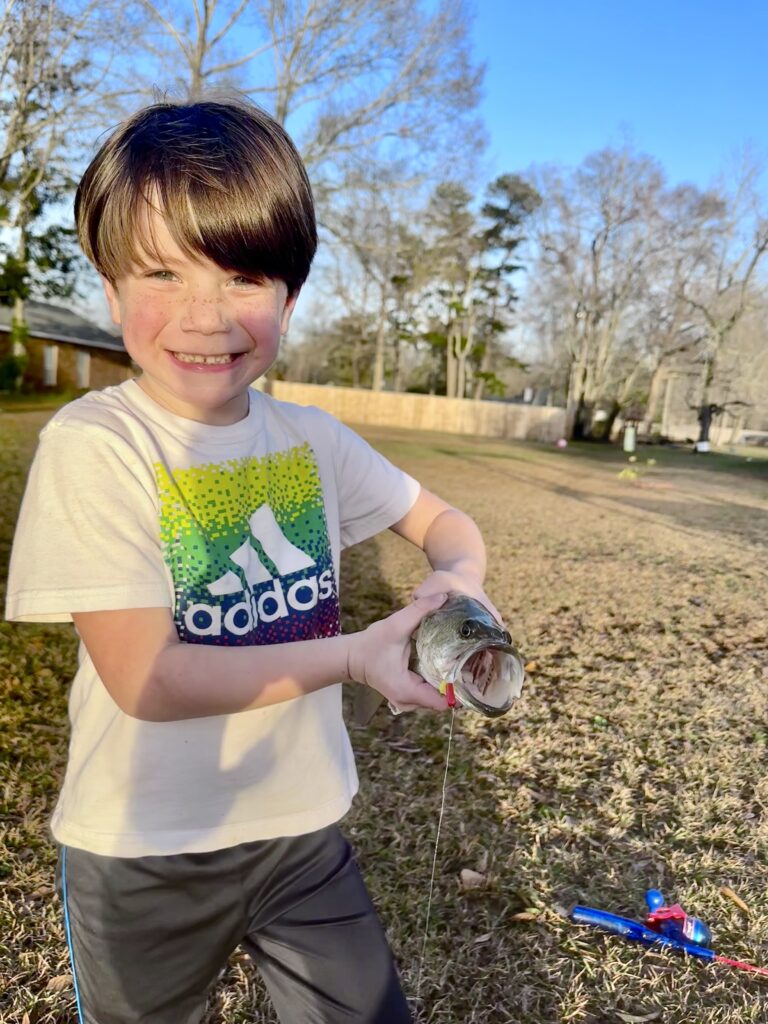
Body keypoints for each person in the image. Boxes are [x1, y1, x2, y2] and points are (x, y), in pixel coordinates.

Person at [5, 98, 502, 1024]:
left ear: (289, 295)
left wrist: (457, 581)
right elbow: (147, 679)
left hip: (304, 834)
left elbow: (447, 523)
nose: (205, 314)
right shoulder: (98, 443)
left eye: (241, 275)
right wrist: (354, 656)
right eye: (160, 271)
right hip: (141, 850)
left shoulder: (311, 439)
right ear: (110, 290)